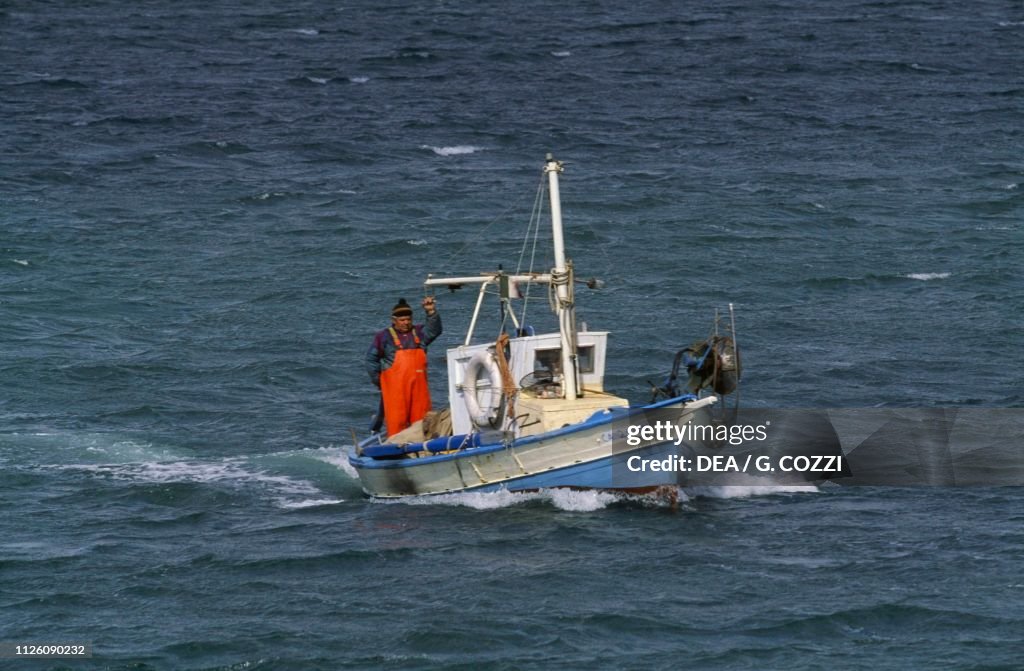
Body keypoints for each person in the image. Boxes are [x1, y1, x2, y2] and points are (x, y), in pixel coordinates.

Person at [365, 296, 442, 438]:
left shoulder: (419, 333)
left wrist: (431, 312)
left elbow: (435, 330)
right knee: (397, 422)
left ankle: (421, 449)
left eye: (408, 319)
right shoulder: (384, 337)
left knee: (422, 421)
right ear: (394, 320)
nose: (406, 323)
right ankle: (396, 450)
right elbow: (371, 360)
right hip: (395, 391)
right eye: (402, 320)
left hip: (419, 389)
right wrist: (380, 382)